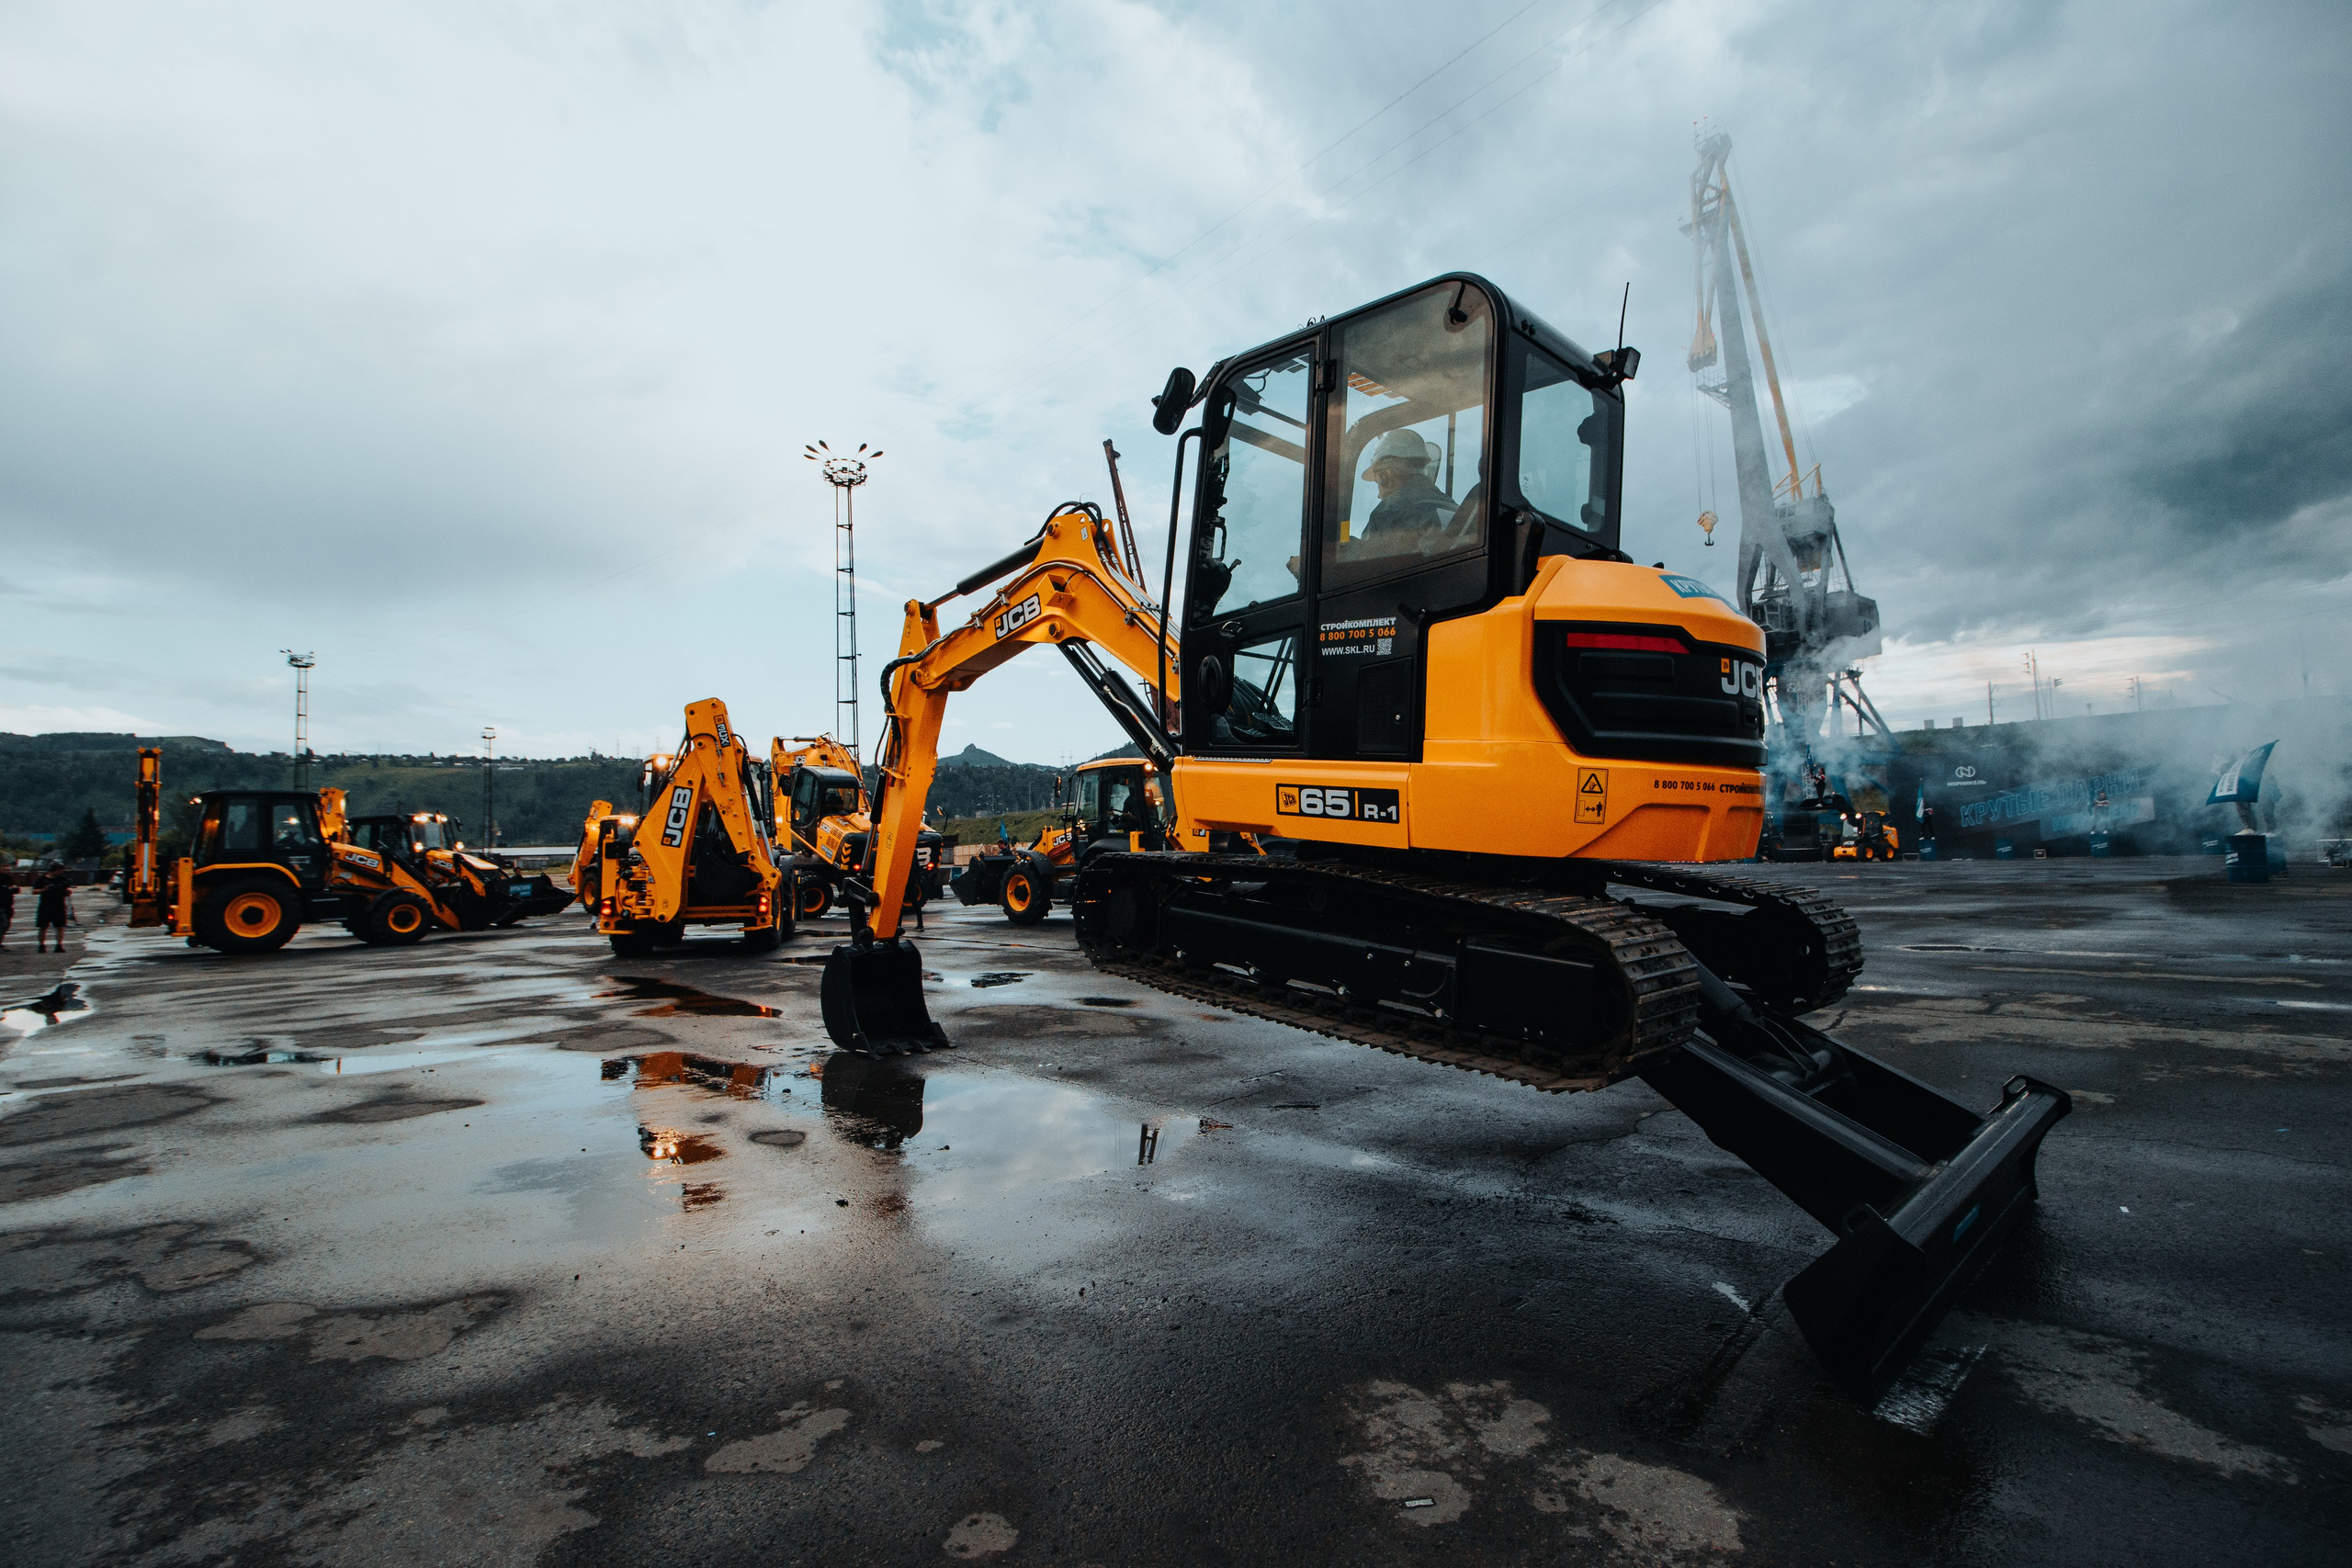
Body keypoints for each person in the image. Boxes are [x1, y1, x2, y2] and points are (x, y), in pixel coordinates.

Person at [1354, 429, 1458, 551]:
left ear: (1385, 475)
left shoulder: (1389, 512)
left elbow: (1365, 563)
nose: (1378, 495)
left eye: (1377, 481)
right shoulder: (1453, 507)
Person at [34, 866, 72, 953]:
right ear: (52, 870)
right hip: (45, 905)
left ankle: (59, 945)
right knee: (43, 926)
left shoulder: (63, 880)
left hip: (59, 905)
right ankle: (41, 945)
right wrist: (44, 890)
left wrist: (68, 891)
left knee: (60, 926)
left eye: (61, 870)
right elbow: (34, 891)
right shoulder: (41, 880)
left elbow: (68, 890)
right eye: (59, 870)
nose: (60, 872)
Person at [0, 867, 16, 949]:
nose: (8, 871)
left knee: (6, 925)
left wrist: (14, 889)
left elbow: (12, 888)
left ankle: (0, 941)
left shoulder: (9, 878)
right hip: (1, 905)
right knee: (2, 924)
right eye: (6, 870)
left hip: (8, 905)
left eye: (9, 870)